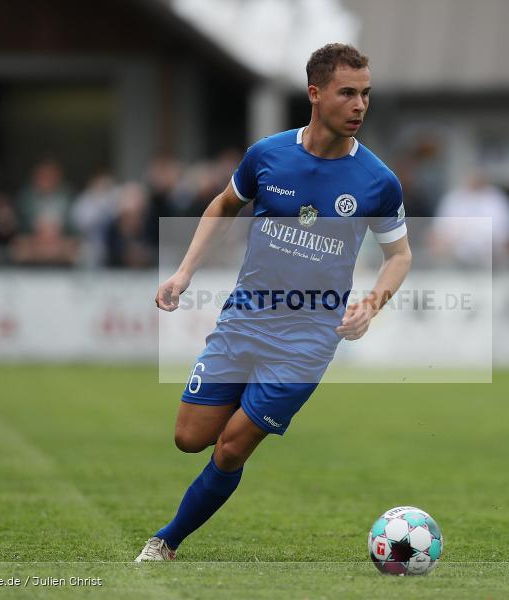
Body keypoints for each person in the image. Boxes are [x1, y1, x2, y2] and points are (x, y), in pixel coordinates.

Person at [136, 43, 412, 561]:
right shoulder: (268, 154)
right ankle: (248, 400)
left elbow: (400, 256)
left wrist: (372, 304)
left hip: (307, 340)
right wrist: (184, 270)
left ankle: (165, 541)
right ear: (315, 94)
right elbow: (223, 204)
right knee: (189, 438)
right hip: (245, 320)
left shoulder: (377, 181)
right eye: (347, 93)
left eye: (366, 94)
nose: (360, 105)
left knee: (231, 447)